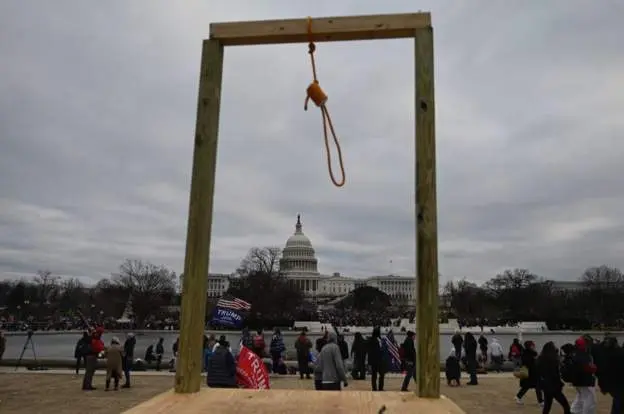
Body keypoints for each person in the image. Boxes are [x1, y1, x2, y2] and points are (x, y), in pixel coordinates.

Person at [537, 341, 571, 414]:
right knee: (565, 405)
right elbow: (555, 374)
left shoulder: (540, 359)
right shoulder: (553, 360)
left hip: (545, 386)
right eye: (554, 346)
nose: (556, 347)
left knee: (547, 406)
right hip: (553, 386)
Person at [569, 336, 597, 414]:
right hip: (585, 380)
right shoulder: (583, 355)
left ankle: (574, 410)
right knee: (589, 399)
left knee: (580, 397)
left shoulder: (574, 353)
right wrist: (594, 368)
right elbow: (588, 367)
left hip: (577, 380)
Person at [515, 340, 543, 406]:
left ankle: (518, 397)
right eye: (532, 345)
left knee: (530, 386)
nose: (534, 346)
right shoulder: (527, 354)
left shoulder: (531, 353)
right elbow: (528, 363)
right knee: (531, 386)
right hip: (530, 372)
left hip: (530, 372)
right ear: (529, 346)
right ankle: (540, 401)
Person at [82, 327, 105, 391]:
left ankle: (86, 385)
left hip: (90, 356)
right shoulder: (94, 339)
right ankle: (87, 386)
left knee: (89, 371)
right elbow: (98, 346)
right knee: (90, 371)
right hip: (91, 356)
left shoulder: (92, 338)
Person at [368, 326, 388, 391]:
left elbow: (369, 352)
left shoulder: (371, 340)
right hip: (379, 360)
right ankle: (380, 388)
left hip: (374, 361)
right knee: (381, 375)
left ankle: (375, 388)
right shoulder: (379, 340)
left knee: (374, 375)